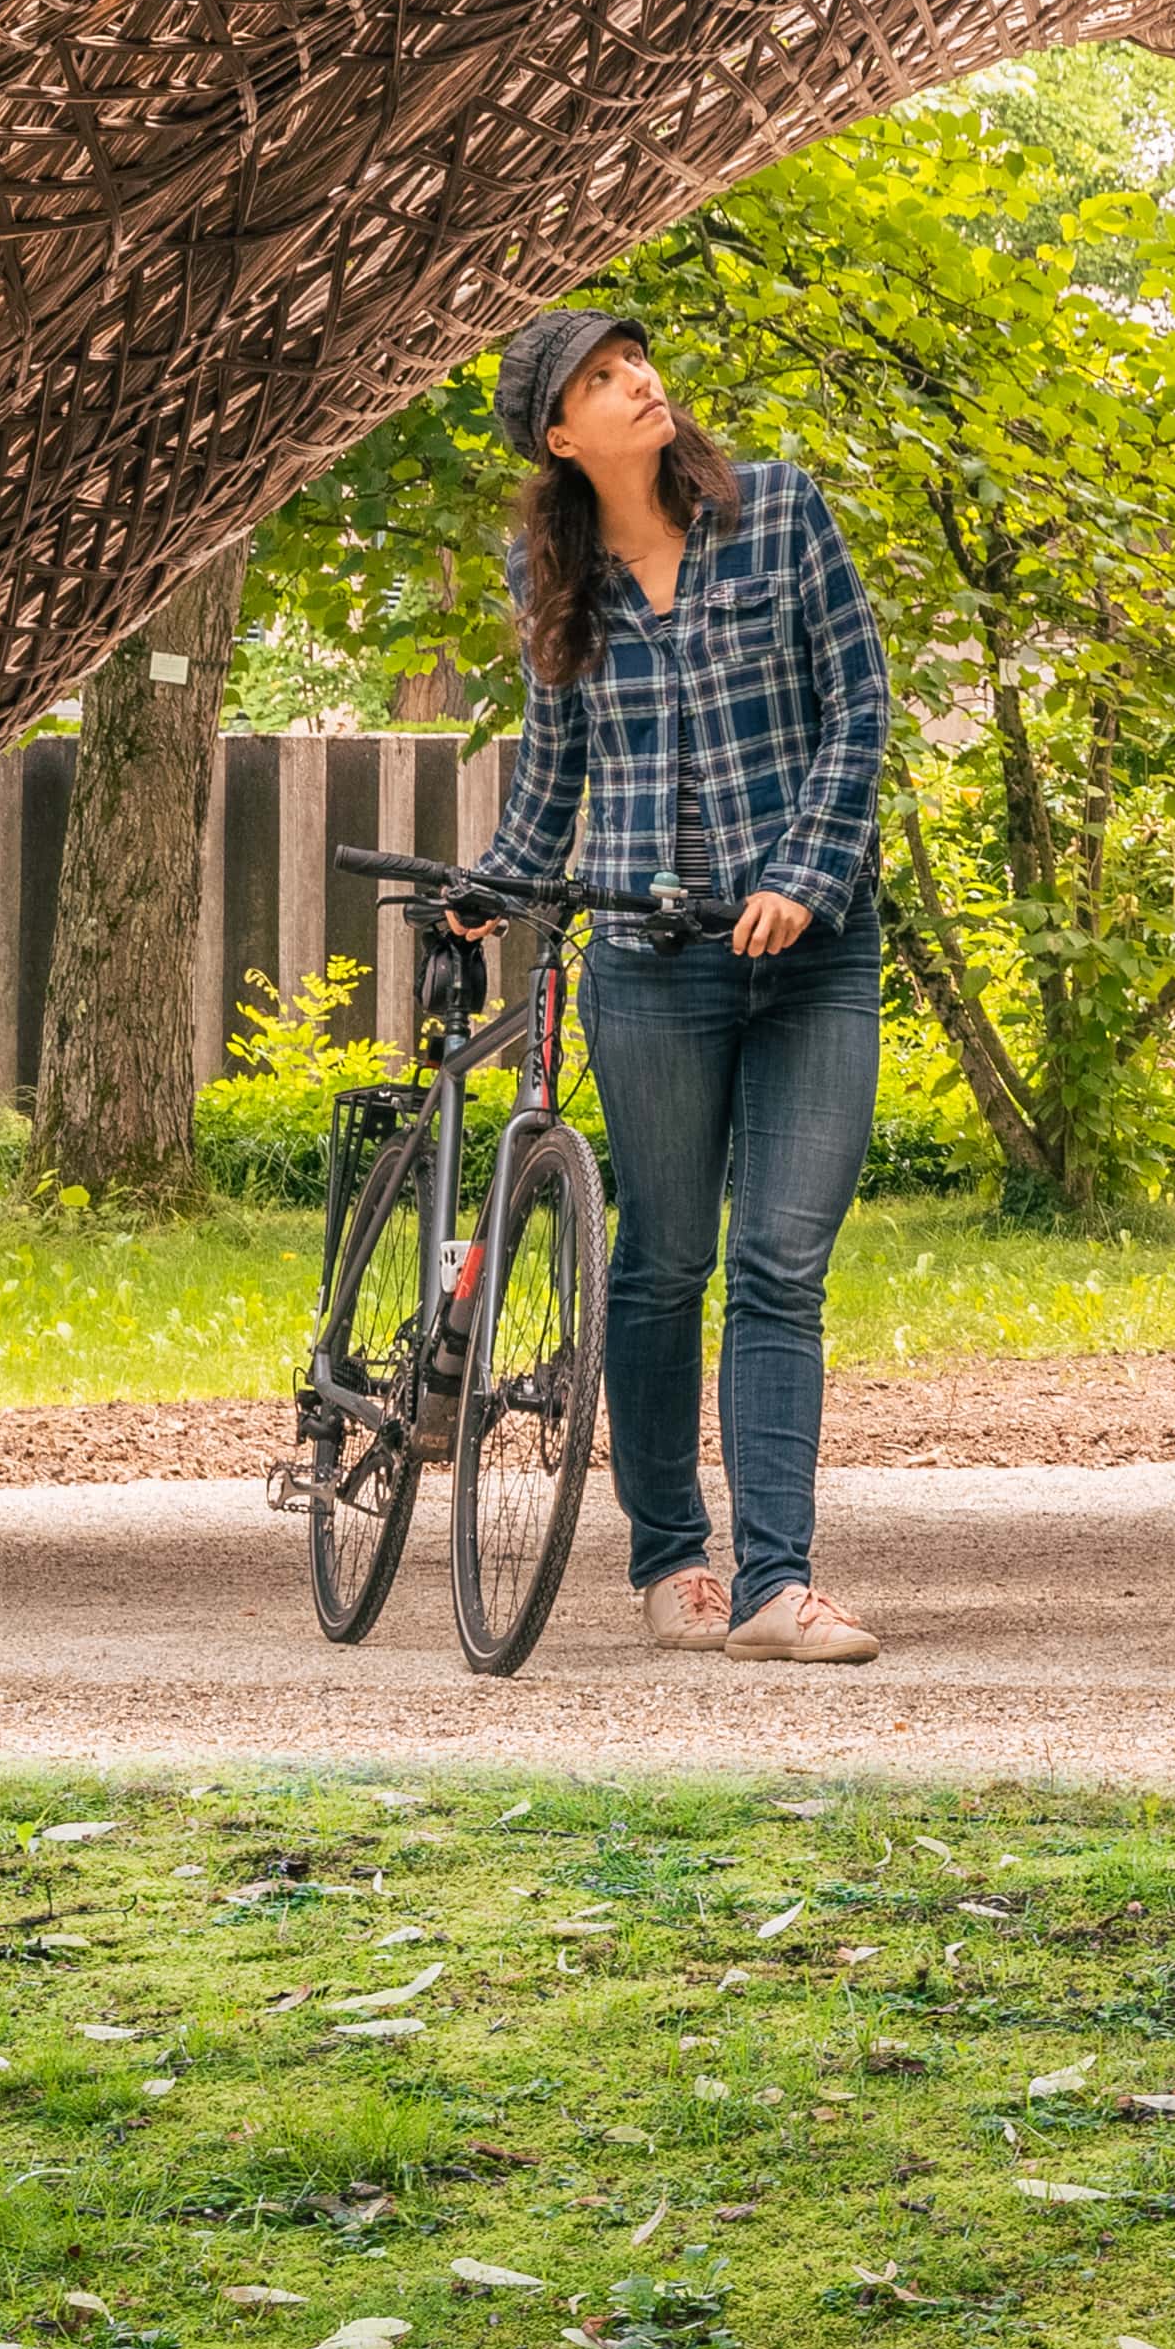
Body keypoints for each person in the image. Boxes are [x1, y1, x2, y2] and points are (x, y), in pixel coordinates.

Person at [449, 306, 898, 1664]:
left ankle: (775, 1584)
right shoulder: (551, 577)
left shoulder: (778, 514)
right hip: (651, 968)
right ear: (558, 434)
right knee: (659, 1265)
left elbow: (859, 705)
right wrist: (492, 887)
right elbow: (553, 774)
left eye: (634, 360)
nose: (636, 381)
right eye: (598, 378)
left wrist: (805, 873)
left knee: (778, 1261)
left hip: (814, 957)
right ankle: (671, 1560)